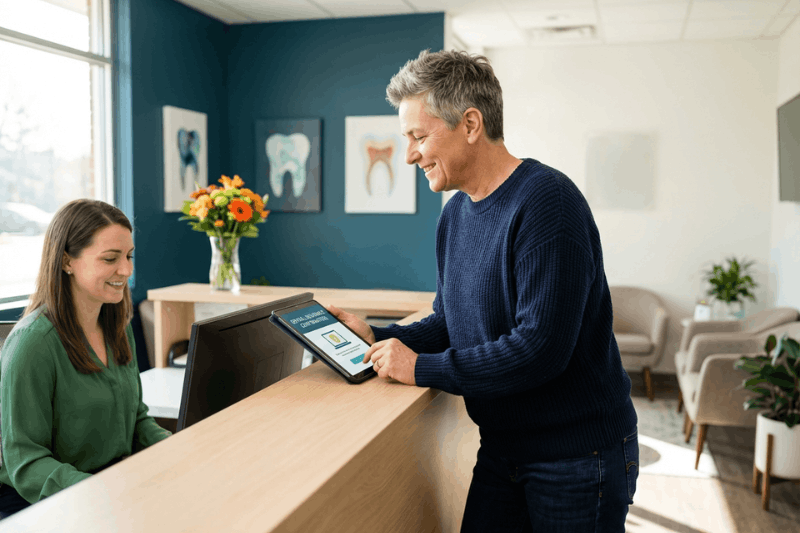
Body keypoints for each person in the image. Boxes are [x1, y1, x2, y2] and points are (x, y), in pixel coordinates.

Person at [328, 50, 639, 532]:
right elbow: (453, 321)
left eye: (418, 136)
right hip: (503, 448)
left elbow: (540, 349)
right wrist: (377, 335)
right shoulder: (455, 214)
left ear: (470, 124)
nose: (410, 154)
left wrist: (421, 368)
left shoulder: (547, 203)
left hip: (577, 457)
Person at [0, 199, 171, 519]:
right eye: (110, 259)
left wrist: (176, 448)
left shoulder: (117, 326)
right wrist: (101, 492)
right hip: (39, 503)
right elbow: (27, 463)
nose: (126, 270)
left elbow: (137, 420)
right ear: (66, 261)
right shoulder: (33, 344)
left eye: (129, 256)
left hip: (105, 484)